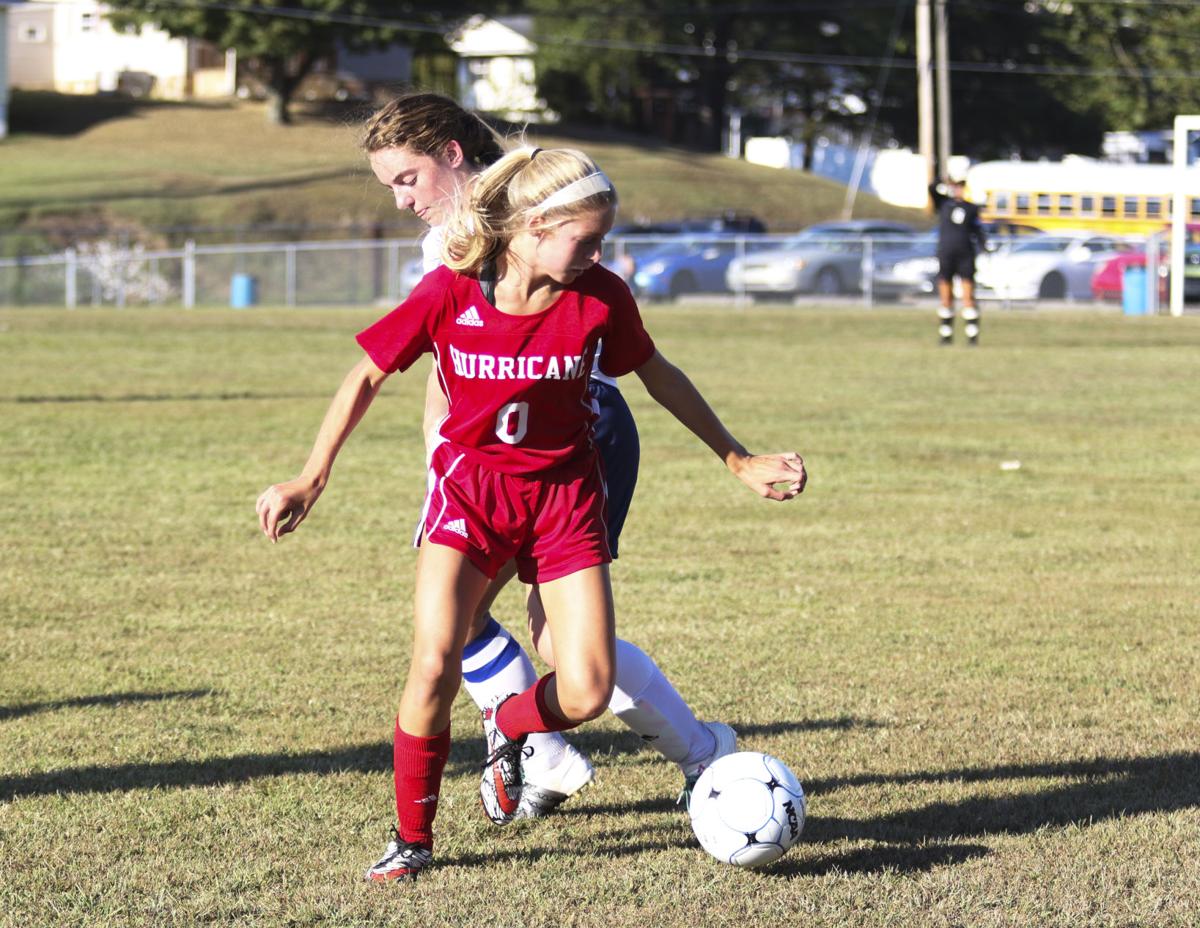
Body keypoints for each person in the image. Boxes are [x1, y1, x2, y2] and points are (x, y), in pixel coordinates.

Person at [257, 146, 807, 883]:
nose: (599, 254)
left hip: (564, 501)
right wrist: (309, 476)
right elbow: (366, 373)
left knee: (583, 687)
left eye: (603, 240)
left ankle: (508, 725)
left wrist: (737, 459)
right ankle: (412, 842)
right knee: (432, 665)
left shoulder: (601, 296)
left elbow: (658, 375)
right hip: (471, 497)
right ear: (531, 227)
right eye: (585, 239)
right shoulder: (451, 292)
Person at [359, 93, 745, 823]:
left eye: (407, 178)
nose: (403, 199)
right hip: (500, 448)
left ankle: (689, 754)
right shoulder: (464, 235)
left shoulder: (509, 220)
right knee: (486, 626)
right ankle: (589, 751)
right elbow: (446, 369)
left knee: (519, 633)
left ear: (449, 155)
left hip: (574, 432)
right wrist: (441, 463)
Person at [929, 175, 988, 345]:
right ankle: (946, 336)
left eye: (960, 186)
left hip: (965, 255)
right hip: (946, 254)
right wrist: (944, 179)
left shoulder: (971, 208)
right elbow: (932, 187)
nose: (957, 189)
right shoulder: (944, 204)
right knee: (946, 297)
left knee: (968, 296)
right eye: (955, 186)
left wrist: (984, 246)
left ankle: (972, 336)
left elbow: (977, 230)